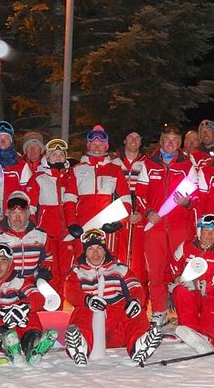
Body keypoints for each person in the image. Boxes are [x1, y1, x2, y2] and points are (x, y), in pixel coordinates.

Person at [62, 229, 163, 367]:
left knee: (133, 311)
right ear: (85, 251)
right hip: (92, 328)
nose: (95, 253)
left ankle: (138, 344)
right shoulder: (77, 272)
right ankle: (80, 346)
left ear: (105, 250)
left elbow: (135, 287)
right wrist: (87, 300)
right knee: (82, 311)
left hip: (117, 327)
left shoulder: (119, 269)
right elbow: (70, 292)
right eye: (90, 249)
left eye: (99, 248)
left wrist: (135, 300)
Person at [137, 123, 199, 325]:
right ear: (161, 141)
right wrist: (148, 212)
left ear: (179, 142)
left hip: (179, 226)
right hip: (155, 226)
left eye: (174, 140)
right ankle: (159, 312)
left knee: (184, 270)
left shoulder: (187, 166)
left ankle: (186, 314)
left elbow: (197, 196)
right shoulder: (149, 164)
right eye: (167, 139)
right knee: (155, 271)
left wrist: (187, 202)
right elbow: (139, 195)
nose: (170, 143)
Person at [0, 244, 57, 364]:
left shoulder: (18, 280)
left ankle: (33, 344)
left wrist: (24, 308)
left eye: (3, 262)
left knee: (30, 314)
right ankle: (5, 340)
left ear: (10, 264)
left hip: (14, 334)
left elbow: (38, 297)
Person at [65, 125, 132, 267]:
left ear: (106, 146)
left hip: (106, 225)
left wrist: (120, 222)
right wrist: (71, 223)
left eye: (100, 144)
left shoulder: (115, 170)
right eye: (93, 144)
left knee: (108, 263)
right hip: (83, 225)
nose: (97, 147)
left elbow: (126, 200)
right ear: (88, 145)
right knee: (82, 262)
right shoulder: (77, 169)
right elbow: (69, 199)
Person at [170, 214, 214, 353]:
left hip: (212, 299)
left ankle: (210, 341)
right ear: (199, 231)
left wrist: (205, 286)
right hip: (191, 295)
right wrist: (177, 277)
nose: (209, 235)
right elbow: (172, 265)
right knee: (181, 291)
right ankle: (190, 331)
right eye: (206, 231)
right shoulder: (186, 246)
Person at [32, 138, 75, 293]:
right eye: (54, 154)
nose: (58, 157)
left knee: (67, 270)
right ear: (47, 157)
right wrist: (32, 229)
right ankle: (51, 306)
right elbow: (30, 207)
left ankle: (64, 309)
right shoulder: (39, 177)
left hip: (67, 233)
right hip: (47, 233)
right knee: (51, 270)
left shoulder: (71, 176)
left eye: (61, 154)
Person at [0, 191, 54, 286]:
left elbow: (48, 258)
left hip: (33, 286)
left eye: (21, 213)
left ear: (27, 214)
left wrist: (43, 273)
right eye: (14, 213)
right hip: (7, 288)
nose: (18, 217)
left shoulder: (41, 235)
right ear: (7, 213)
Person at [113, 130, 148, 285]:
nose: (133, 140)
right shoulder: (114, 162)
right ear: (124, 141)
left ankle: (137, 291)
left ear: (141, 142)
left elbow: (150, 191)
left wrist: (141, 212)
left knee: (138, 257)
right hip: (118, 210)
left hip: (138, 211)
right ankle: (117, 287)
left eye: (137, 137)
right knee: (117, 252)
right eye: (130, 137)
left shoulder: (147, 162)